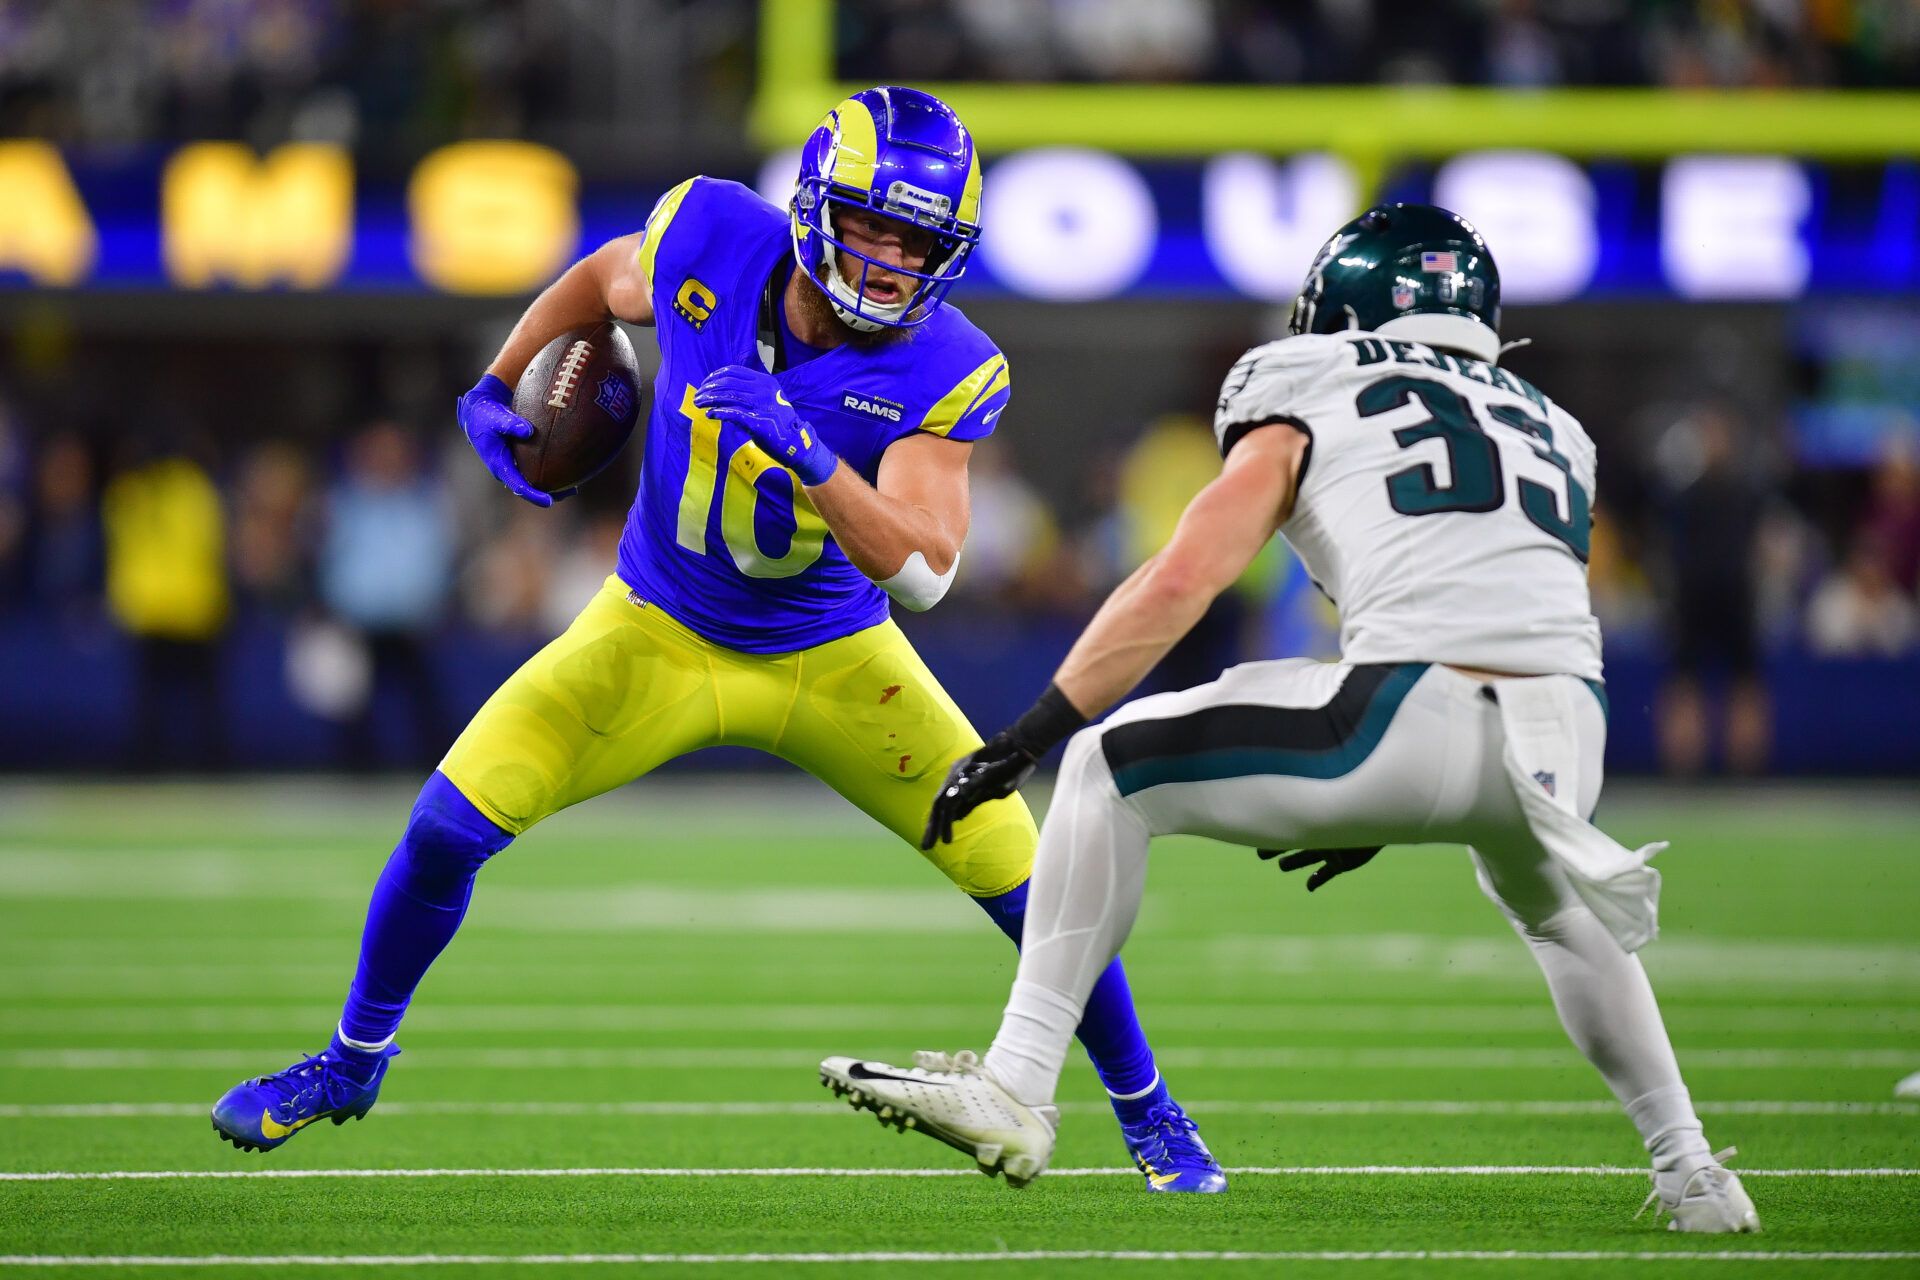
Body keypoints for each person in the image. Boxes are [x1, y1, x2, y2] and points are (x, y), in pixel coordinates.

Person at [210, 86, 1223, 1194]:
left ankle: (1151, 1109)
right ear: (814, 209)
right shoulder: (711, 234)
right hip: (655, 625)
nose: (893, 265)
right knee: (446, 829)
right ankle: (353, 1060)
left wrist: (812, 454)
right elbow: (603, 279)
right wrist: (502, 379)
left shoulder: (947, 361)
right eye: (875, 228)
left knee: (1034, 883)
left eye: (919, 241)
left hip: (837, 655)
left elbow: (930, 570)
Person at [821, 204, 1762, 1234]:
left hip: (1413, 703)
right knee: (1558, 912)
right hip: (1569, 730)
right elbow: (1497, 588)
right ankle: (1693, 1171)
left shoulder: (1309, 381)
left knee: (1103, 762)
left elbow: (1188, 573)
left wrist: (1029, 732)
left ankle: (1018, 1081)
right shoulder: (1552, 424)